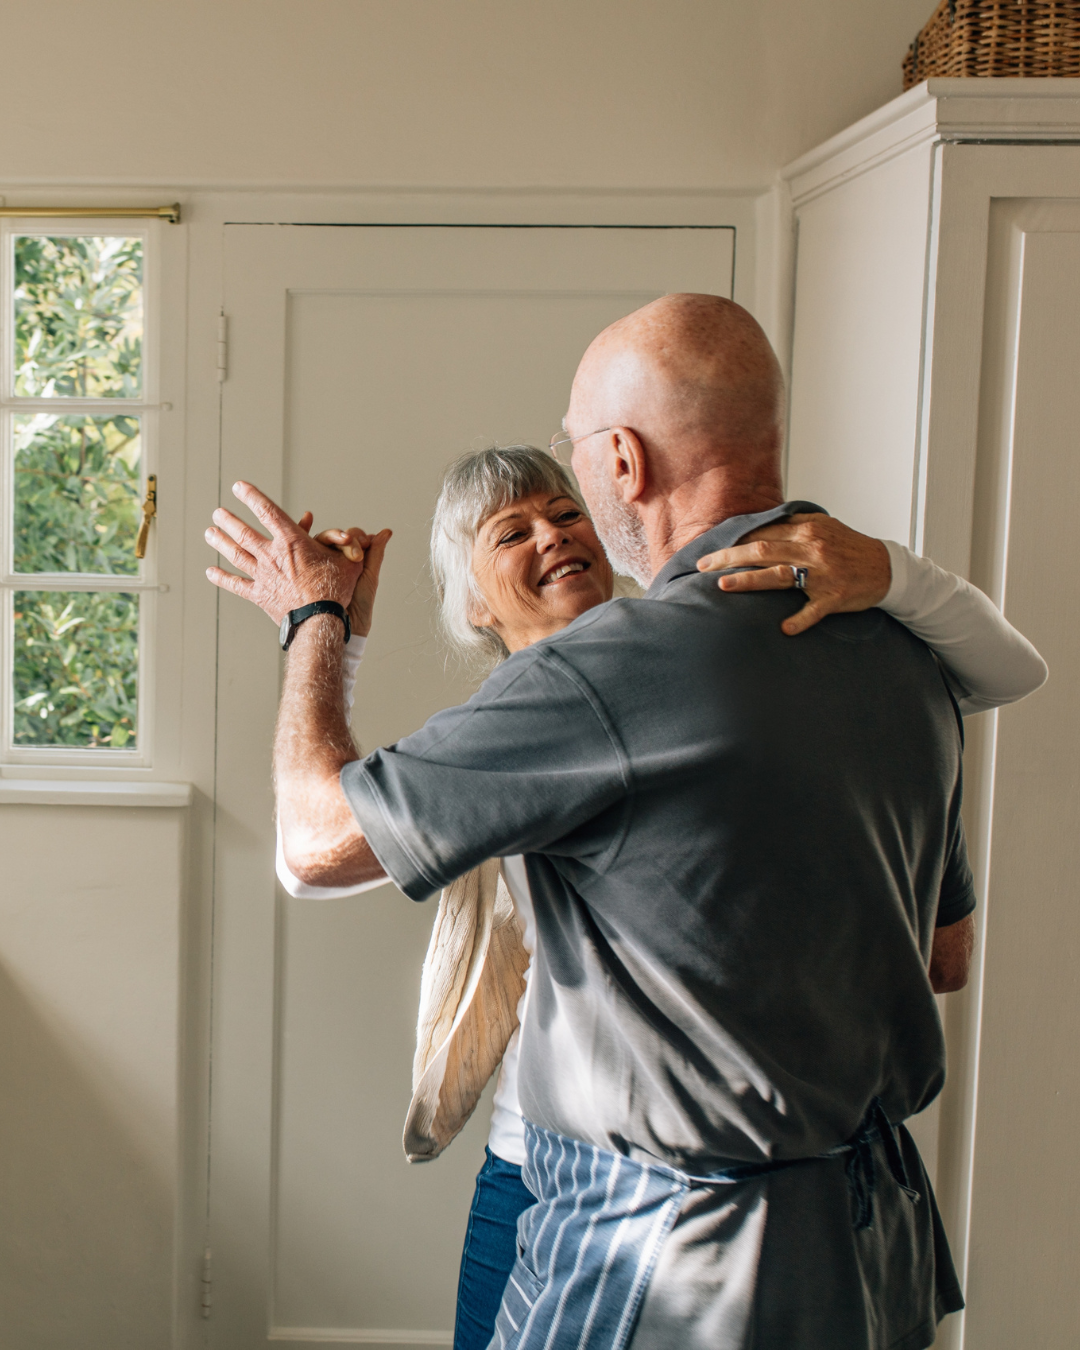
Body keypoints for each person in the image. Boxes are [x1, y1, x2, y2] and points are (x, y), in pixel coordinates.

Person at [205, 294, 1047, 1349]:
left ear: (622, 463)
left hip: (675, 1260)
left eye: (572, 458)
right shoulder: (905, 653)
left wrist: (314, 621)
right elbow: (945, 951)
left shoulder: (615, 672)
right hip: (871, 1251)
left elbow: (314, 845)